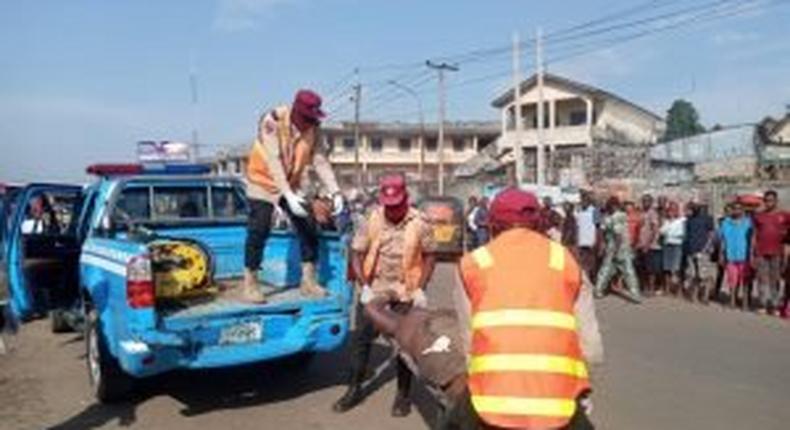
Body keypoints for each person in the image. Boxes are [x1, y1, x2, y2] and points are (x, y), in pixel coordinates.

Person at [452, 187, 603, 430]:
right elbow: (591, 346)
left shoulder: (472, 265)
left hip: (493, 401)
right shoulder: (565, 260)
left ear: (492, 225)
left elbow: (470, 341)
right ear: (538, 223)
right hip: (559, 401)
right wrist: (583, 394)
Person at [333, 173, 437, 417]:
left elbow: (430, 256)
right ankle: (355, 388)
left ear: (405, 200)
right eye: (388, 206)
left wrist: (421, 287)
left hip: (405, 291)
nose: (392, 211)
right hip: (377, 288)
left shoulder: (420, 222)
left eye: (397, 206)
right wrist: (364, 287)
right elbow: (357, 253)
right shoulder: (372, 218)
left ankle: (402, 395)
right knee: (360, 340)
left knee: (405, 345)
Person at [242, 89, 343, 303]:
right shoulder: (272, 121)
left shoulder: (314, 129)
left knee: (308, 224)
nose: (311, 123)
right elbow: (274, 160)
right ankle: (250, 283)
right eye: (308, 119)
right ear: (298, 113)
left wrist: (335, 191)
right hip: (263, 181)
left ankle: (308, 281)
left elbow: (320, 160)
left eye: (314, 119)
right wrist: (286, 194)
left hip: (291, 182)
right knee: (259, 227)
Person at [594, 197, 642, 303]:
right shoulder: (611, 216)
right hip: (615, 247)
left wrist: (613, 249)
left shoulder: (616, 216)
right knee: (621, 271)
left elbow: (617, 235)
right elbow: (606, 232)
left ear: (615, 206)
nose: (610, 207)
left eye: (611, 205)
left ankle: (599, 290)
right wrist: (605, 245)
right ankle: (598, 290)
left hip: (618, 247)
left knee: (619, 271)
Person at [751, 190, 789, 315]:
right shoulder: (758, 216)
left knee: (775, 279)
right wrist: (752, 253)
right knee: (762, 279)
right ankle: (762, 304)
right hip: (761, 252)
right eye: (766, 200)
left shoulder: (785, 215)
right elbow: (754, 235)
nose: (769, 203)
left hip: (777, 252)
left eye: (771, 200)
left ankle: (775, 305)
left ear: (776, 201)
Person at [719, 201, 753, 310]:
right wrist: (721, 254)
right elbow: (723, 240)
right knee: (732, 280)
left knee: (745, 280)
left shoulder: (749, 222)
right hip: (730, 256)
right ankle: (732, 300)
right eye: (735, 208)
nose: (737, 211)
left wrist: (752, 254)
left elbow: (753, 240)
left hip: (745, 256)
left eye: (739, 209)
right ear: (732, 210)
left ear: (743, 210)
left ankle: (745, 302)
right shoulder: (725, 223)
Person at [683, 202, 716, 303]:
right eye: (693, 206)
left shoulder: (707, 218)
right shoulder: (689, 219)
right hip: (691, 250)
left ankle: (705, 296)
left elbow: (711, 234)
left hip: (703, 251)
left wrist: (705, 249)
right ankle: (695, 295)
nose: (695, 208)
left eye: (697, 206)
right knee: (693, 275)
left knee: (704, 275)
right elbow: (687, 235)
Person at [636, 194, 662, 296]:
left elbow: (655, 230)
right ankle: (644, 287)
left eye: (647, 201)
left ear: (651, 202)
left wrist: (648, 244)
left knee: (651, 269)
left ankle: (651, 288)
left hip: (650, 245)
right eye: (644, 201)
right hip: (641, 244)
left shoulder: (653, 213)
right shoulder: (642, 213)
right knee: (643, 268)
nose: (645, 203)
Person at [660, 201, 686, 296]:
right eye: (670, 209)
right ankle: (667, 289)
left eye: (674, 209)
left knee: (677, 268)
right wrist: (669, 227)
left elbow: (682, 234)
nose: (672, 211)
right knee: (666, 268)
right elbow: (661, 231)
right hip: (667, 245)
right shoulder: (666, 221)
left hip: (677, 246)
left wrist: (670, 233)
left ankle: (678, 290)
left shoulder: (682, 220)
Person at [575, 191, 599, 280]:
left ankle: (592, 281)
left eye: (585, 199)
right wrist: (577, 240)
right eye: (582, 200)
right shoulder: (579, 211)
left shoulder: (595, 211)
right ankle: (585, 281)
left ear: (589, 200)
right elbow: (578, 227)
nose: (583, 202)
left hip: (591, 242)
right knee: (582, 263)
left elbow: (598, 228)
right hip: (581, 242)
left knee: (592, 264)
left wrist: (596, 241)